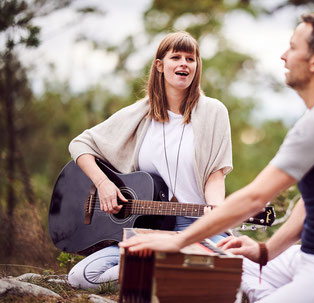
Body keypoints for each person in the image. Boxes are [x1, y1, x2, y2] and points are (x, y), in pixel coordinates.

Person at [120, 13, 314, 303]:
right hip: (309, 256)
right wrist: (266, 251)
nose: (283, 56)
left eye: (293, 48)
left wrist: (179, 242)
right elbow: (310, 203)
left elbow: (253, 199)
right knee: (223, 274)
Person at [66, 31, 233, 289]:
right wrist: (103, 184)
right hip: (146, 228)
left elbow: (215, 174)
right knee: (81, 277)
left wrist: (214, 211)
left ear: (197, 66)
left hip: (197, 225)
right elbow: (80, 144)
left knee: (230, 269)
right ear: (159, 65)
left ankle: (167, 267)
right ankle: (169, 267)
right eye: (175, 57)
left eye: (191, 58)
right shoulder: (140, 114)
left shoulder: (213, 111)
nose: (183, 64)